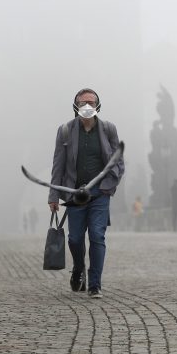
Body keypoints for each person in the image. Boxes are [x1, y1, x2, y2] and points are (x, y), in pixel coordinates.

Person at [48, 88, 124, 299]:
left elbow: (118, 160)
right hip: (75, 194)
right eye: (83, 103)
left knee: (97, 236)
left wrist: (110, 184)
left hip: (100, 194)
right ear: (76, 106)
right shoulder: (65, 131)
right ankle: (79, 268)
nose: (87, 106)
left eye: (91, 102)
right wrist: (53, 196)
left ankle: (95, 284)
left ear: (98, 105)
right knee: (74, 239)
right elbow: (58, 165)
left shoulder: (109, 129)